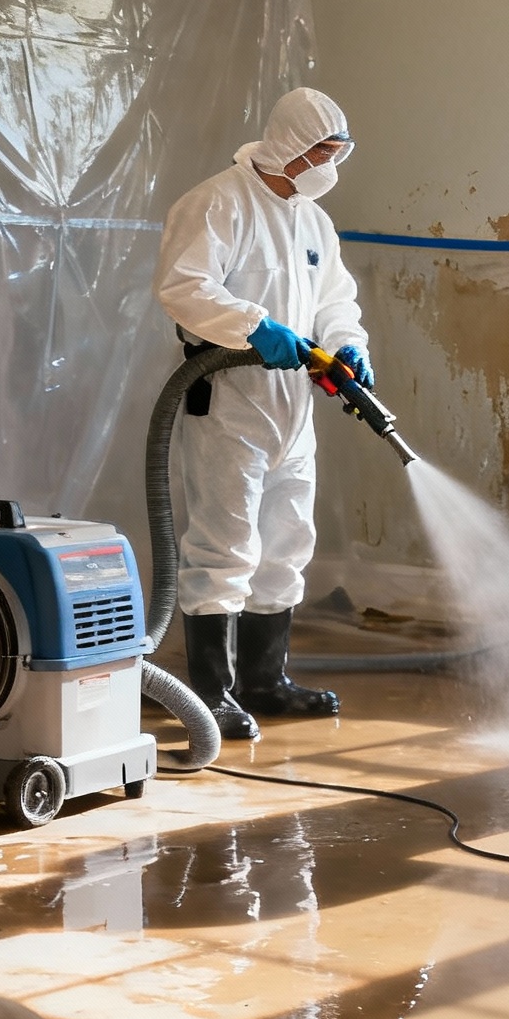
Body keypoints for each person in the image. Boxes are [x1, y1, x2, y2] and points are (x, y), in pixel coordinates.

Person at [155, 87, 373, 741]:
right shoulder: (217, 202)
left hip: (293, 406)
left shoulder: (312, 219)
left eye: (338, 153)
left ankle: (266, 681)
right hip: (229, 401)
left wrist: (346, 341)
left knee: (285, 542)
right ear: (288, 146)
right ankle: (212, 693)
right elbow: (184, 286)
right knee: (223, 548)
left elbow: (336, 296)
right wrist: (254, 327)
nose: (329, 165)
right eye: (322, 152)